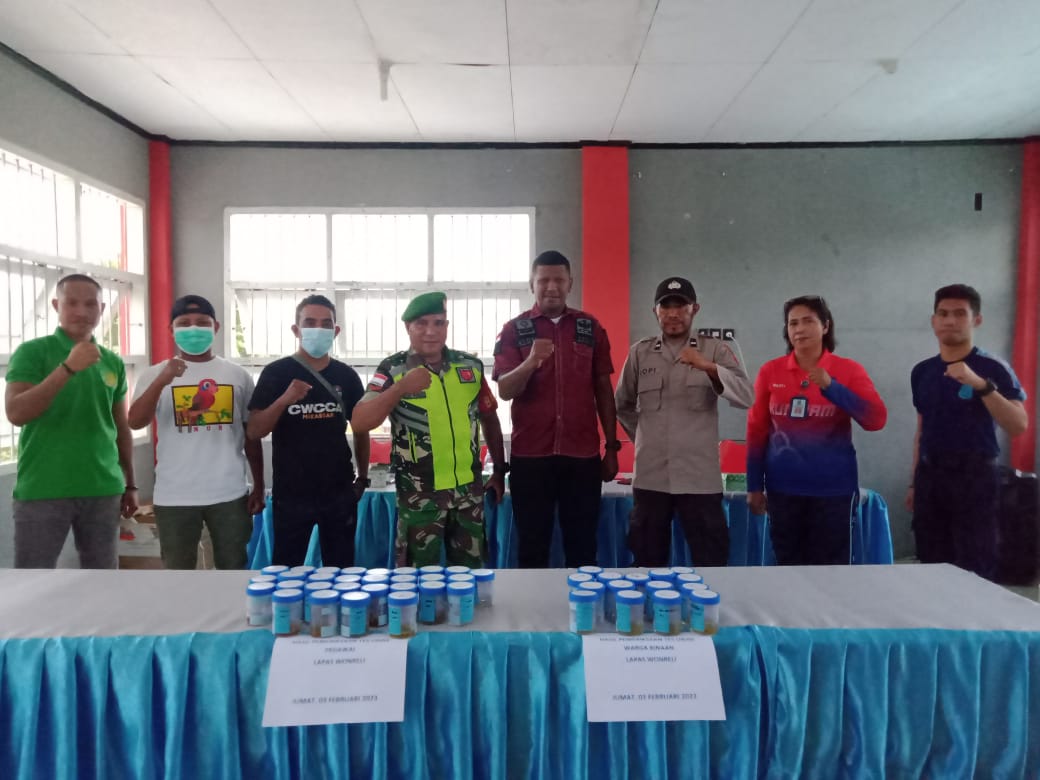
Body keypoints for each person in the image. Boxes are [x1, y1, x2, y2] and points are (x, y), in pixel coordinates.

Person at [350, 292, 506, 567]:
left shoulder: (469, 366)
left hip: (468, 496)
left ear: (447, 326)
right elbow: (360, 422)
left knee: (469, 577)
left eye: (438, 322)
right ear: (407, 327)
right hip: (419, 499)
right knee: (416, 579)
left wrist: (500, 470)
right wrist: (400, 388)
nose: (431, 331)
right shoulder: (393, 369)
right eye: (421, 323)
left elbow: (489, 417)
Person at [493, 250, 619, 568]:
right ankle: (534, 603)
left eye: (559, 280)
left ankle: (583, 601)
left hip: (582, 457)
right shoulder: (514, 330)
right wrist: (531, 362)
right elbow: (505, 390)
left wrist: (611, 447)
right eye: (544, 280)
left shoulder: (590, 327)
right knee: (532, 547)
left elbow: (604, 390)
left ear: (570, 283)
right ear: (532, 284)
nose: (552, 287)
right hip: (530, 457)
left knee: (583, 546)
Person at [615, 277, 754, 567]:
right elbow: (622, 404)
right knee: (646, 562)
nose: (673, 314)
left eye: (681, 306)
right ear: (655, 311)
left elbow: (745, 396)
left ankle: (707, 601)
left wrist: (709, 367)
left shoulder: (714, 349)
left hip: (699, 479)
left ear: (695, 309)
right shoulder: (640, 352)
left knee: (711, 561)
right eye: (665, 307)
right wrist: (645, 439)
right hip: (651, 477)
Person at [5, 273, 137, 568]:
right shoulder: (33, 352)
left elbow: (120, 428)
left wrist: (130, 484)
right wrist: (67, 368)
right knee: (33, 578)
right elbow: (16, 413)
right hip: (43, 488)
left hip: (103, 488)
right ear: (56, 305)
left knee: (102, 578)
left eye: (90, 304)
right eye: (72, 303)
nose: (81, 311)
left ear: (102, 309)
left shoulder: (112, 361)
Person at [746, 295, 887, 565]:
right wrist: (754, 485)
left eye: (808, 321)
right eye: (793, 323)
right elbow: (756, 431)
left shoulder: (848, 370)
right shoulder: (771, 371)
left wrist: (832, 387)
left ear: (825, 326)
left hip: (833, 492)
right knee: (788, 567)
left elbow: (876, 419)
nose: (799, 329)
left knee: (830, 571)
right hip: (783, 491)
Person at [128, 295, 265, 569]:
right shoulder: (154, 374)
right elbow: (135, 421)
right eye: (184, 323)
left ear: (216, 327)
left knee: (233, 568)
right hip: (174, 496)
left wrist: (259, 486)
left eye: (202, 322)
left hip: (229, 494)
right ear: (171, 330)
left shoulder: (237, 375)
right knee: (179, 573)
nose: (193, 329)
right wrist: (163, 380)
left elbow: (251, 435)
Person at [907, 284, 1027, 580]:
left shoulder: (992, 368)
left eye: (960, 314)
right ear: (934, 320)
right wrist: (914, 483)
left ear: (976, 320)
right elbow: (922, 427)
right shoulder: (922, 371)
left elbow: (1018, 425)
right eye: (943, 314)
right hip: (930, 475)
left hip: (974, 476)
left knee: (975, 562)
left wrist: (981, 385)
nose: (950, 321)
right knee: (931, 561)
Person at [246, 294, 369, 567]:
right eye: (310, 322)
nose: (318, 329)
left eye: (326, 324)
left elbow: (361, 429)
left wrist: (362, 478)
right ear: (296, 329)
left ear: (336, 331)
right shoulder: (276, 373)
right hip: (291, 492)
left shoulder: (347, 376)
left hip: (338, 491)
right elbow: (254, 431)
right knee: (286, 570)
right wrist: (284, 400)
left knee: (341, 570)